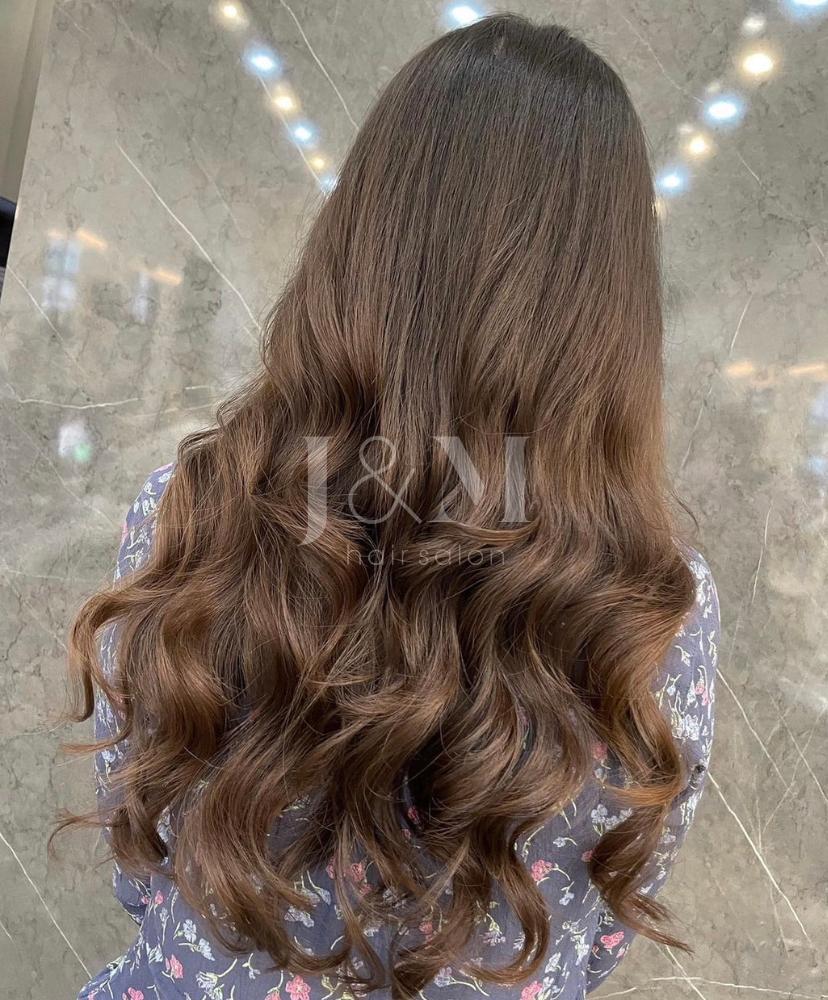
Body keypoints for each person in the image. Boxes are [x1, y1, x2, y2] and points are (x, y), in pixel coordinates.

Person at [63, 14, 720, 1000]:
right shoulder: (660, 608)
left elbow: (141, 850)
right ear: (608, 312)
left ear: (359, 242)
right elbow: (597, 930)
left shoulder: (189, 512)